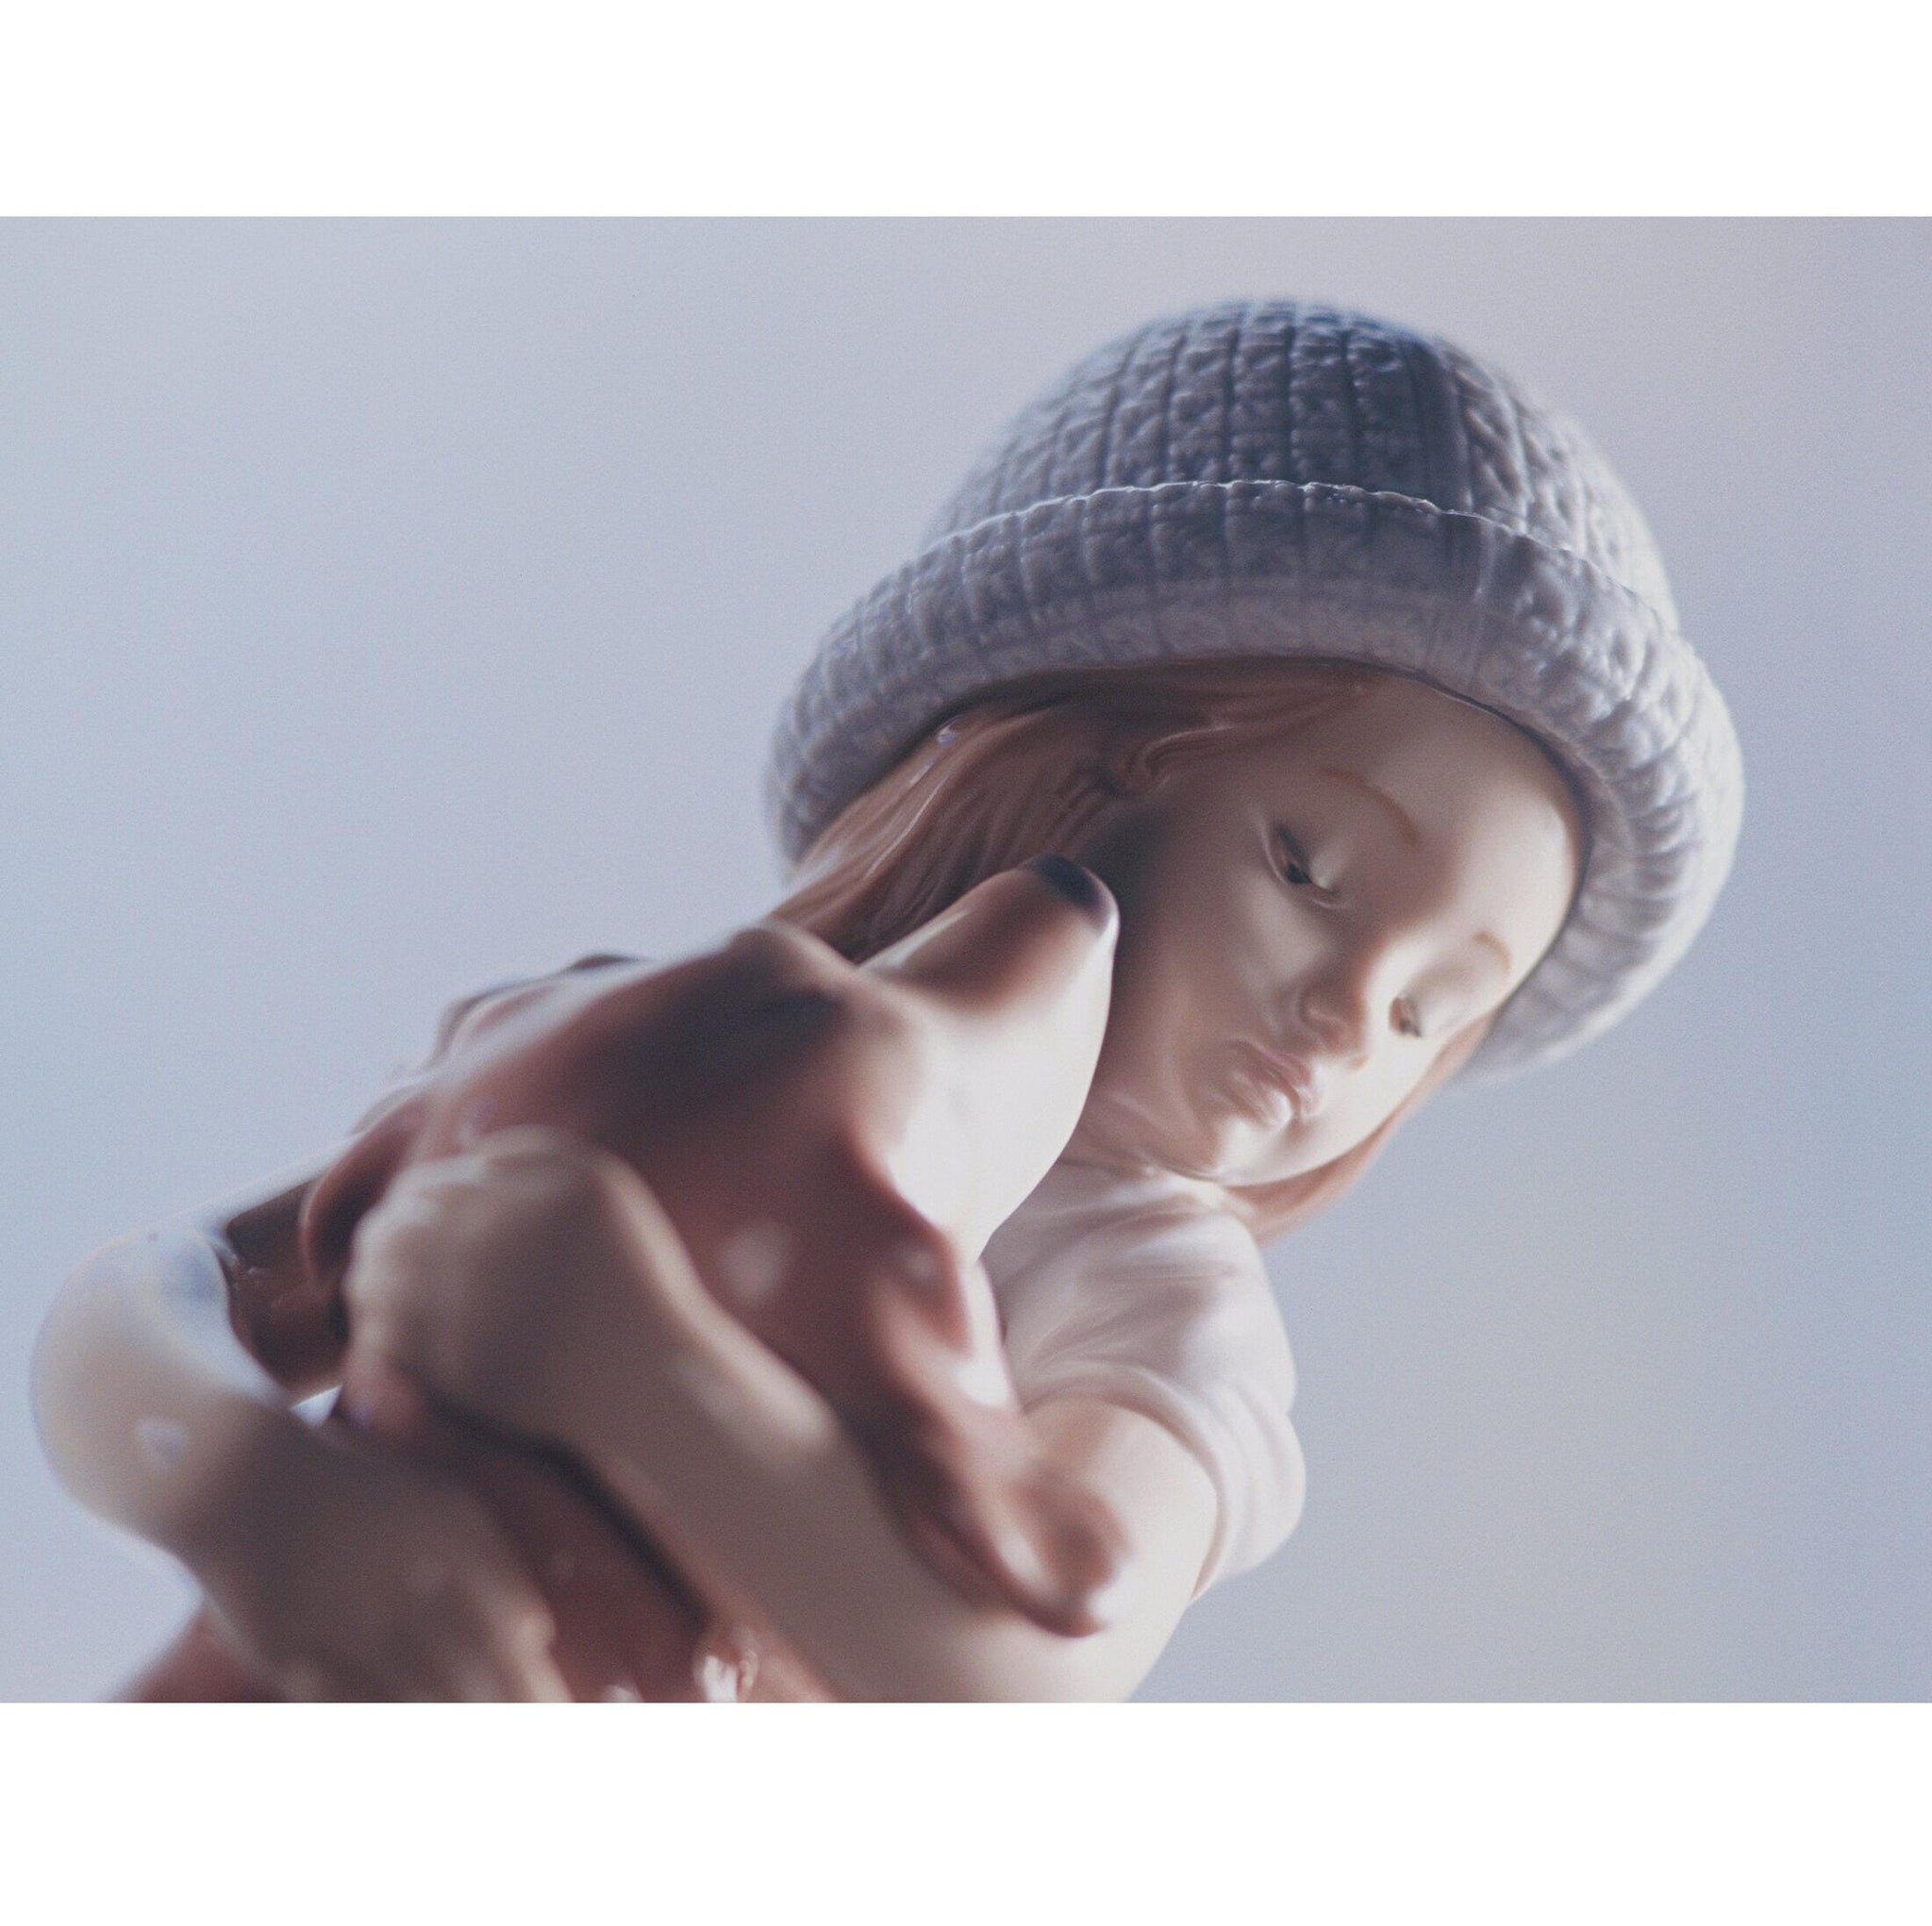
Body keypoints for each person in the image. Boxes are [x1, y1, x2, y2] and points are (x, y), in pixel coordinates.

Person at [34, 300, 1743, 1700]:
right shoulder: (681, 1037)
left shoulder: (1159, 1311)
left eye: (1432, 1010)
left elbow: (1019, 1672)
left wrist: (646, 1371)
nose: (1346, 1019)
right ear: (1091, 772)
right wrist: (256, 1494)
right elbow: (159, 1296)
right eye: (1305, 869)